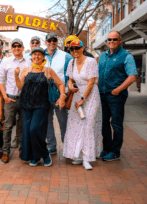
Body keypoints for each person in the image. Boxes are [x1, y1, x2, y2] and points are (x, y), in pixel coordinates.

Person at [15, 47, 66, 167]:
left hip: (41, 105)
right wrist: (16, 76)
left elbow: (60, 83)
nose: (36, 57)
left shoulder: (48, 70)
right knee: (28, 132)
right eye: (34, 54)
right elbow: (20, 87)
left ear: (44, 57)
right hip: (27, 105)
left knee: (35, 130)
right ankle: (35, 157)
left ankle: (45, 155)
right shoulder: (26, 70)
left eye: (39, 55)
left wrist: (62, 96)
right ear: (31, 56)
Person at [63, 40, 102, 170]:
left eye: (77, 48)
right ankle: (77, 154)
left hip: (90, 96)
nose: (74, 51)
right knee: (76, 125)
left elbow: (91, 82)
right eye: (72, 49)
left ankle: (87, 158)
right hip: (77, 96)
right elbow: (69, 80)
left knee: (88, 124)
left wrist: (83, 99)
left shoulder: (90, 61)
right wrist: (70, 87)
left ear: (83, 48)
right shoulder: (71, 62)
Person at [99, 30, 137, 161]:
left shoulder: (126, 56)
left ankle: (115, 152)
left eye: (114, 39)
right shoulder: (103, 56)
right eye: (109, 39)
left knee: (116, 124)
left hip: (116, 96)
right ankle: (106, 149)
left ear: (120, 41)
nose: (111, 42)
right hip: (102, 95)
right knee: (103, 123)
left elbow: (132, 77)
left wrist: (118, 90)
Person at [0, 38, 31, 163]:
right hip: (10, 98)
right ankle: (6, 152)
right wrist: (5, 97)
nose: (17, 48)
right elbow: (1, 81)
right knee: (7, 127)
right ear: (11, 48)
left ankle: (23, 151)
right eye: (14, 46)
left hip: (24, 99)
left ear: (22, 48)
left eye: (19, 46)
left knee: (23, 127)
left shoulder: (29, 62)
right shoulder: (6, 62)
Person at [44, 33, 73, 155]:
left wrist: (64, 94)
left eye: (54, 40)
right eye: (49, 40)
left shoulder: (66, 56)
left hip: (60, 95)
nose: (52, 42)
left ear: (57, 41)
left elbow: (70, 75)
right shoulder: (40, 56)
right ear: (45, 42)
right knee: (47, 122)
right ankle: (52, 146)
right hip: (44, 95)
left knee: (63, 122)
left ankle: (67, 147)